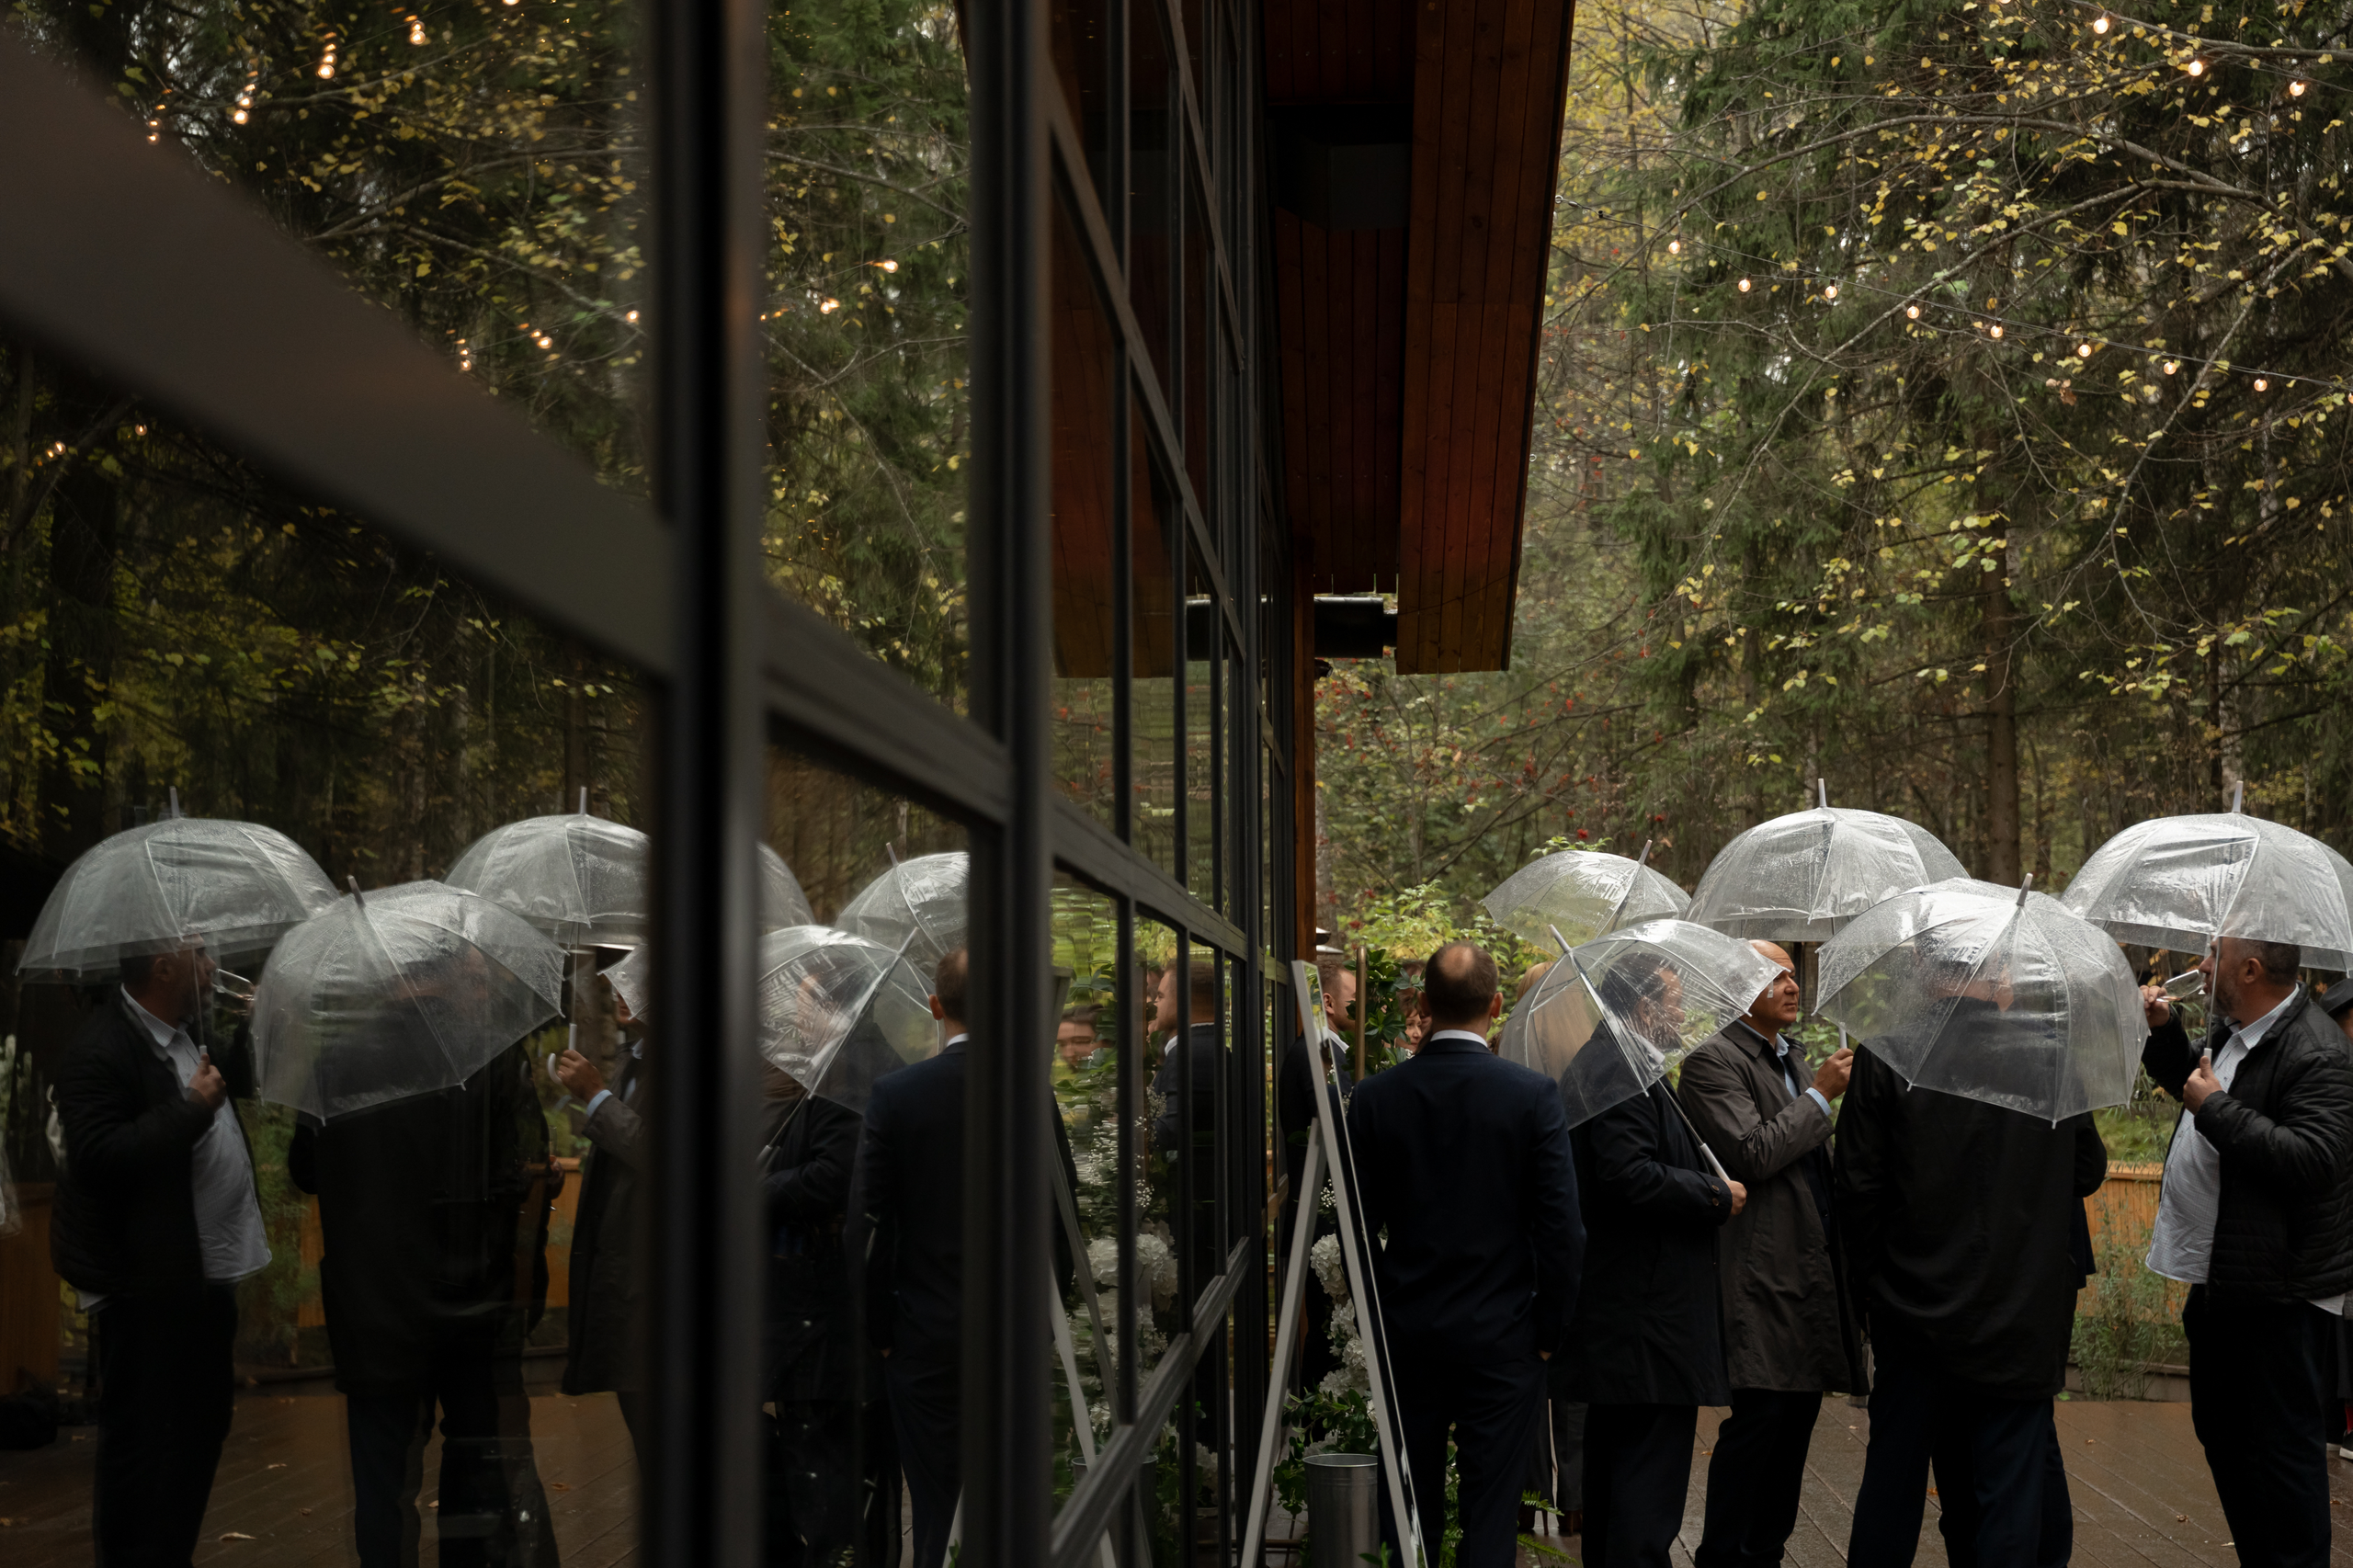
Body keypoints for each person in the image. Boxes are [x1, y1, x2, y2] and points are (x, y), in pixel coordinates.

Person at [1836, 969, 2107, 1568]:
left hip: (1912, 1312)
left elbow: (1856, 1189)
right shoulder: (2047, 1055)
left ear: (1931, 975)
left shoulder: (1885, 1053)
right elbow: (2086, 1169)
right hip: (2019, 1311)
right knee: (2008, 1493)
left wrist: (1868, 1297)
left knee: (1892, 1484)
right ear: (1996, 974)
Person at [1346, 941, 1585, 1567]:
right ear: (1498, 1005)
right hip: (1505, 1335)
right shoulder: (1532, 1094)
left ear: (1423, 1005)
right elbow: (1563, 1228)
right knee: (1492, 1509)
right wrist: (1549, 1332)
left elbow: (1354, 1228)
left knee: (1408, 1507)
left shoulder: (1376, 1097)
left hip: (1408, 1332)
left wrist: (1377, 1316)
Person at [291, 1041, 561, 1568]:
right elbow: (513, 1167)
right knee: (472, 1471)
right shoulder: (482, 1056)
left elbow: (305, 1171)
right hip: (466, 1303)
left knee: (382, 1482)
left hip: (375, 1303)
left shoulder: (336, 1061)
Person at [849, 949, 1074, 1568]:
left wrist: (880, 1331)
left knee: (936, 1503)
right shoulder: (1030, 1093)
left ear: (935, 1006)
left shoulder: (896, 1095)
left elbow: (868, 1223)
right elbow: (1063, 1216)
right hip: (1011, 1340)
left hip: (925, 1339)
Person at [52, 942, 271, 1568]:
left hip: (205, 1276)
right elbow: (98, 1157)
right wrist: (191, 1110)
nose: (212, 965)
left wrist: (253, 1025)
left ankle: (169, 1556)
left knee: (202, 1429)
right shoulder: (100, 1049)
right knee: (143, 1441)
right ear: (163, 967)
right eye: (199, 954)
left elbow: (236, 1083)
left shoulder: (184, 1032)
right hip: (145, 1283)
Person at [2139, 937, 2353, 1568]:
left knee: (2281, 1463)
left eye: (2214, 955)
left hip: (2279, 1294)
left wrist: (2217, 1110)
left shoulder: (2317, 1051)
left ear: (2251, 969)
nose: (2201, 967)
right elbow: (2196, 1086)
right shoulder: (2234, 1030)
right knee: (2228, 1442)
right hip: (2224, 1280)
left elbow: (2314, 1160)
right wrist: (2164, 1032)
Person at [1677, 940, 1862, 1568]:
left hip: (1811, 1268)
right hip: (1759, 1275)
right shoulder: (1712, 1063)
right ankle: (1723, 1555)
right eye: (1772, 975)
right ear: (1736, 988)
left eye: (1791, 973)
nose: (1790, 984)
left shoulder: (1794, 1056)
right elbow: (1751, 1153)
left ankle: (1766, 1553)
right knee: (1759, 1424)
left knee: (1795, 1429)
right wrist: (1818, 1098)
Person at [1559, 955, 1744, 1568]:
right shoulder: (1618, 1069)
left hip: (1634, 1328)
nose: (1683, 1014)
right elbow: (1626, 1174)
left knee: (1619, 1481)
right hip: (1645, 1328)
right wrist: (1716, 1194)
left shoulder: (1627, 1064)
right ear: (1643, 1008)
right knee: (1642, 1497)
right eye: (1675, 1001)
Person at [757, 1058, 868, 1567]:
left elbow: (832, 1176)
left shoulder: (834, 1093)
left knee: (816, 1459)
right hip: (780, 1309)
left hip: (813, 1314)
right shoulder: (785, 1095)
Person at [554, 983, 648, 1462]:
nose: (620, 993)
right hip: (621, 1267)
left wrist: (596, 1096)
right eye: (618, 984)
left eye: (637, 983)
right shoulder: (636, 1057)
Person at [1278, 953, 1357, 1394]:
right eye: (1354, 998)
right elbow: (1335, 1126)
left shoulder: (1335, 1051)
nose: (1365, 1008)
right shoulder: (1317, 1054)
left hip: (1334, 1214)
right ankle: (1318, 1440)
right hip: (1323, 1222)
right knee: (1328, 1336)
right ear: (1327, 1002)